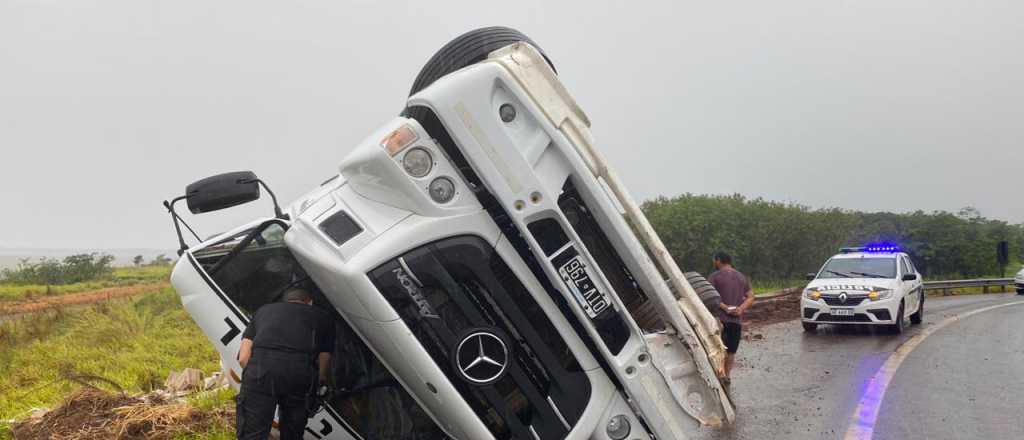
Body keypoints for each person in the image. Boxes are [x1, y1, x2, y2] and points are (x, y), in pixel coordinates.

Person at [236, 288, 335, 440]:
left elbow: (243, 357)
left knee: (252, 435)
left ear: (284, 301)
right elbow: (324, 357)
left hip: (260, 373)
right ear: (310, 303)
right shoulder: (323, 317)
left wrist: (255, 376)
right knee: (293, 433)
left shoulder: (263, 311)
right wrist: (319, 380)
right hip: (300, 377)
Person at [708, 252, 754, 384]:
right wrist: (740, 309)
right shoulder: (741, 277)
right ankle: (727, 376)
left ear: (718, 260)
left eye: (714, 260)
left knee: (718, 349)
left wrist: (725, 307)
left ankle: (720, 375)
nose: (713, 263)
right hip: (736, 321)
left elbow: (710, 297)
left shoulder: (714, 277)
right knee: (731, 351)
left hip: (719, 321)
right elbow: (751, 297)